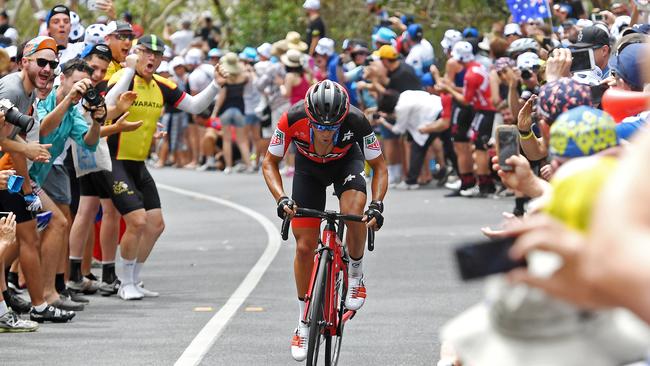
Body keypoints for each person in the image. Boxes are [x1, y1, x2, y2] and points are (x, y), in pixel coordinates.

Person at [261, 80, 388, 361]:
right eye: (319, 126)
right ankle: (304, 322)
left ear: (343, 118)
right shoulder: (291, 118)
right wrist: (281, 198)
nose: (325, 132)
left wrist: (378, 205)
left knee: (355, 211)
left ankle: (355, 272)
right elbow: (269, 162)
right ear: (308, 115)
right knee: (304, 246)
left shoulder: (357, 120)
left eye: (332, 127)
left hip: (346, 164)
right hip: (308, 171)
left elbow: (379, 167)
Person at [104, 34, 224, 300]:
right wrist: (128, 68)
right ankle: (123, 282)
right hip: (113, 160)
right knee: (136, 221)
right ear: (137, 53)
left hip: (138, 163)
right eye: (147, 53)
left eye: (157, 55)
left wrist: (217, 84)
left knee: (156, 225)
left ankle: (135, 278)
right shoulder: (122, 78)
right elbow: (109, 104)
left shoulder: (162, 85)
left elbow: (193, 106)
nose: (152, 59)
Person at [0, 36, 74, 322]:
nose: (48, 69)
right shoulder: (12, 88)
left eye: (52, 64)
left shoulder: (28, 92)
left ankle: (36, 305)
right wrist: (26, 149)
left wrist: (27, 183)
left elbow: (11, 135)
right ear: (24, 62)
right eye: (41, 62)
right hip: (6, 173)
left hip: (12, 174)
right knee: (21, 238)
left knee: (26, 236)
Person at [440, 41, 497, 197]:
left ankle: (484, 184)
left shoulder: (470, 74)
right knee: (478, 146)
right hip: (484, 109)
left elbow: (465, 99)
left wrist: (448, 88)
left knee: (479, 147)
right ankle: (482, 183)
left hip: (484, 110)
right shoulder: (478, 67)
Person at [375, 89, 443, 190]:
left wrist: (383, 121)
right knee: (449, 144)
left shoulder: (401, 107)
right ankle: (455, 173)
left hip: (433, 117)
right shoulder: (404, 95)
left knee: (418, 148)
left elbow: (399, 130)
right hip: (440, 108)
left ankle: (412, 181)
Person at [213, 52, 253, 174]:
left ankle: (228, 166)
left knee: (227, 139)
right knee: (242, 140)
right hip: (240, 110)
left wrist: (214, 112)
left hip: (226, 110)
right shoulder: (244, 77)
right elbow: (249, 78)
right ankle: (249, 165)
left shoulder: (225, 78)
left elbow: (222, 97)